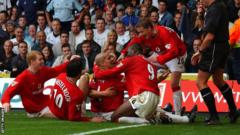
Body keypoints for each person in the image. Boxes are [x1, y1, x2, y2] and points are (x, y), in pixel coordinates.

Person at [94, 44, 197, 124]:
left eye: (127, 52)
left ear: (133, 51)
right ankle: (184, 119)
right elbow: (144, 82)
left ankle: (145, 121)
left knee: (115, 117)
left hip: (143, 96)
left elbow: (109, 72)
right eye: (109, 58)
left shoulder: (130, 61)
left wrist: (95, 68)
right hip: (153, 96)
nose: (124, 55)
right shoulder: (147, 63)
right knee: (155, 113)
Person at [121, 19, 187, 116]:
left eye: (142, 32)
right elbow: (135, 41)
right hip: (161, 54)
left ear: (149, 28)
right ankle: (158, 108)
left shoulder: (164, 33)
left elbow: (174, 51)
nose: (140, 35)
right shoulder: (144, 35)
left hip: (176, 55)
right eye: (139, 32)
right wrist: (123, 53)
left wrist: (160, 60)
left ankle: (178, 113)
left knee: (174, 84)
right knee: (141, 61)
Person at [191, 0, 239, 124]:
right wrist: (201, 14)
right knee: (218, 80)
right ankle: (233, 111)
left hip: (214, 48)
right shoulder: (220, 6)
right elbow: (203, 29)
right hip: (222, 47)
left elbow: (210, 36)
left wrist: (200, 51)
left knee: (200, 82)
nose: (201, 1)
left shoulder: (214, 9)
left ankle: (214, 116)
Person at [1, 51, 77, 116]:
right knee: (63, 114)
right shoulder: (22, 78)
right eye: (40, 60)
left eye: (42, 59)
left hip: (47, 102)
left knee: (68, 105)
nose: (42, 61)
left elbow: (56, 70)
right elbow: (8, 92)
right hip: (35, 110)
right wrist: (5, 102)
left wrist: (70, 62)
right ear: (32, 61)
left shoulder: (43, 70)